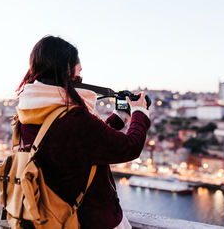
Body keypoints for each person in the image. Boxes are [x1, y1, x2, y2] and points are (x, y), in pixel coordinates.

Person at [15, 35, 150, 229]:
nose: (80, 80)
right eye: (78, 74)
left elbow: (77, 145)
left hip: (49, 213)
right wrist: (140, 113)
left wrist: (118, 118)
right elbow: (130, 148)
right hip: (89, 219)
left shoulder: (28, 111)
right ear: (66, 72)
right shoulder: (73, 117)